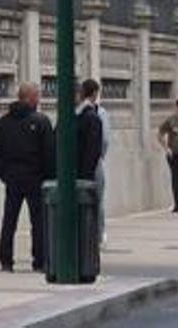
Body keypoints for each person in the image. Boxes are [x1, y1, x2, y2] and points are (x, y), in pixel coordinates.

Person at [0, 82, 55, 272]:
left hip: (12, 177)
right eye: (37, 96)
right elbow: (49, 153)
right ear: (29, 97)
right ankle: (39, 260)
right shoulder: (41, 121)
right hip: (35, 178)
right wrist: (48, 177)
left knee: (9, 220)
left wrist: (4, 174)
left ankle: (6, 260)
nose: (39, 99)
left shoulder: (3, 122)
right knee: (38, 221)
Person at [79, 79, 112, 244]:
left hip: (80, 162)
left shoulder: (77, 111)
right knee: (97, 199)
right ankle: (98, 234)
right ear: (95, 93)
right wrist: (100, 156)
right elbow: (105, 140)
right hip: (95, 162)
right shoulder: (100, 113)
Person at [74, 81, 103, 181]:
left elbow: (93, 150)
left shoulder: (90, 117)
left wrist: (86, 177)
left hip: (83, 176)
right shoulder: (75, 116)